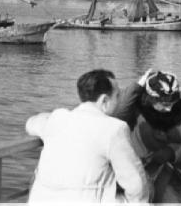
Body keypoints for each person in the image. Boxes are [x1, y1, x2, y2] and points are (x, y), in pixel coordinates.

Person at [25, 69, 149, 203]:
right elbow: (135, 184)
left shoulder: (58, 118)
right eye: (117, 96)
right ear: (104, 100)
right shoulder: (114, 129)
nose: (119, 101)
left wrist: (51, 117)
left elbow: (30, 123)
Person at [112, 69, 181, 203]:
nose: (169, 109)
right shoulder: (136, 109)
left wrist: (171, 153)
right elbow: (116, 114)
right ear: (151, 99)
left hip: (170, 173)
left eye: (172, 103)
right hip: (138, 172)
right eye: (164, 105)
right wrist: (137, 86)